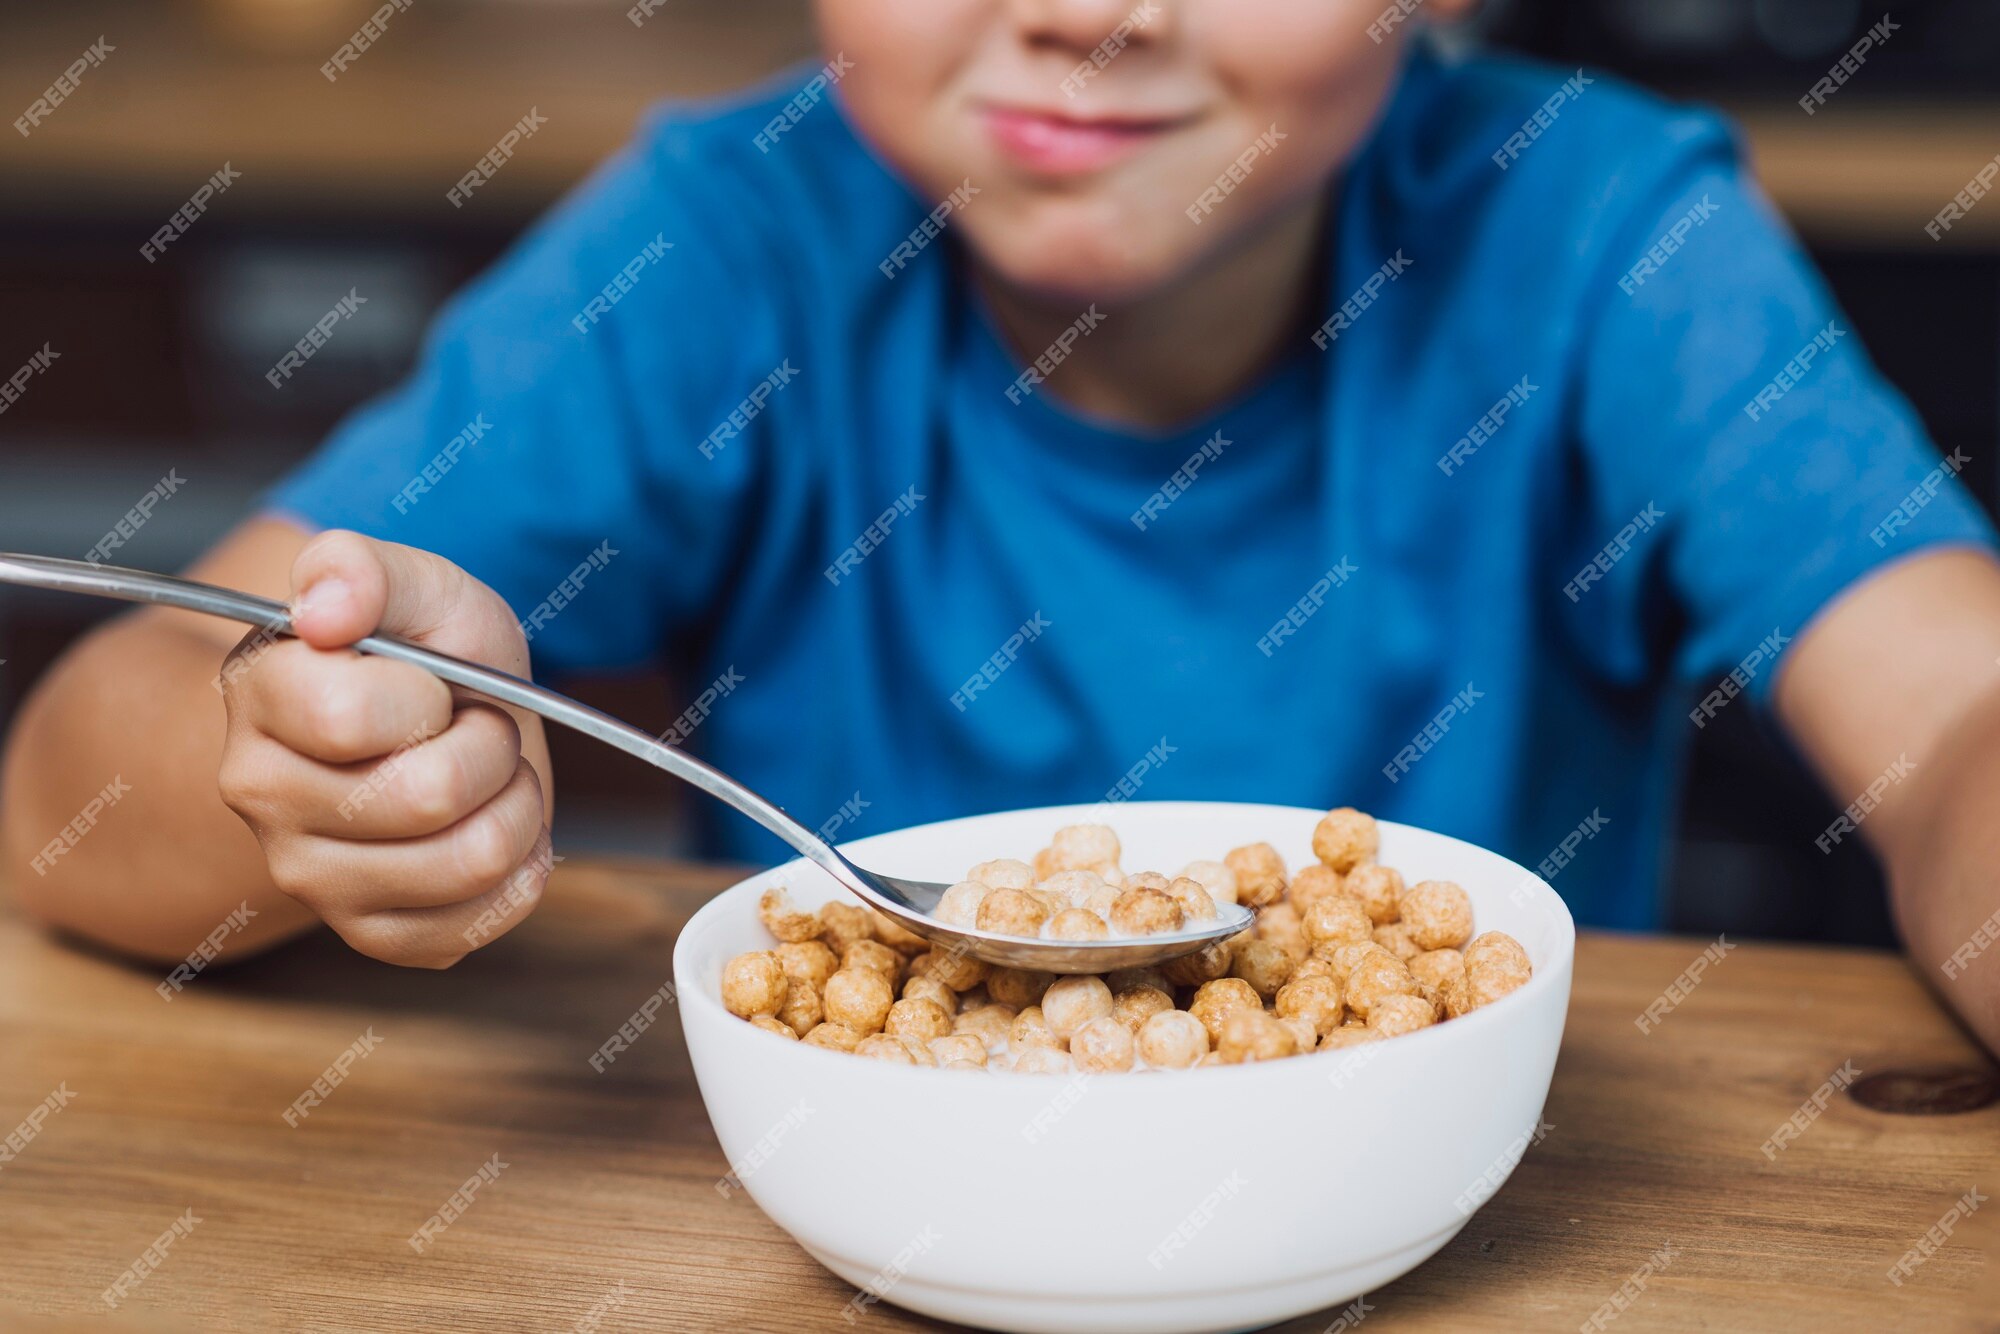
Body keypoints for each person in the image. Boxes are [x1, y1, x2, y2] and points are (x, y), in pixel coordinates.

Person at [6, 2, 1998, 1055]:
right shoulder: (732, 240)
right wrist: (299, 762)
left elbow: (1957, 714)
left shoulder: (1595, 233)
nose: (1082, 10)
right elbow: (65, 794)